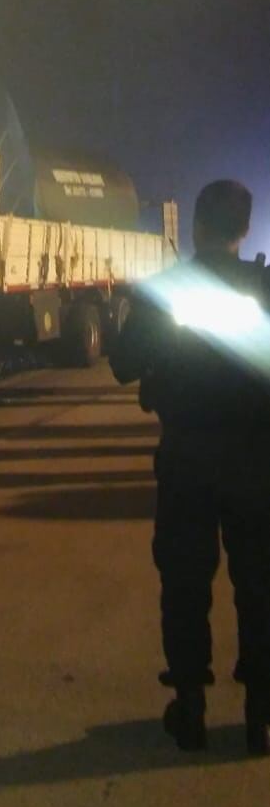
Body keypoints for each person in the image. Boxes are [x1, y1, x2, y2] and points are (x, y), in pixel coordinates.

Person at [110, 179, 270, 754]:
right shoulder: (265, 286)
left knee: (183, 584)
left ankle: (191, 709)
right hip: (258, 460)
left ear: (197, 226)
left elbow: (122, 365)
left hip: (188, 457)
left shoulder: (167, 291)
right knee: (261, 585)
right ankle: (261, 717)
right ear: (244, 230)